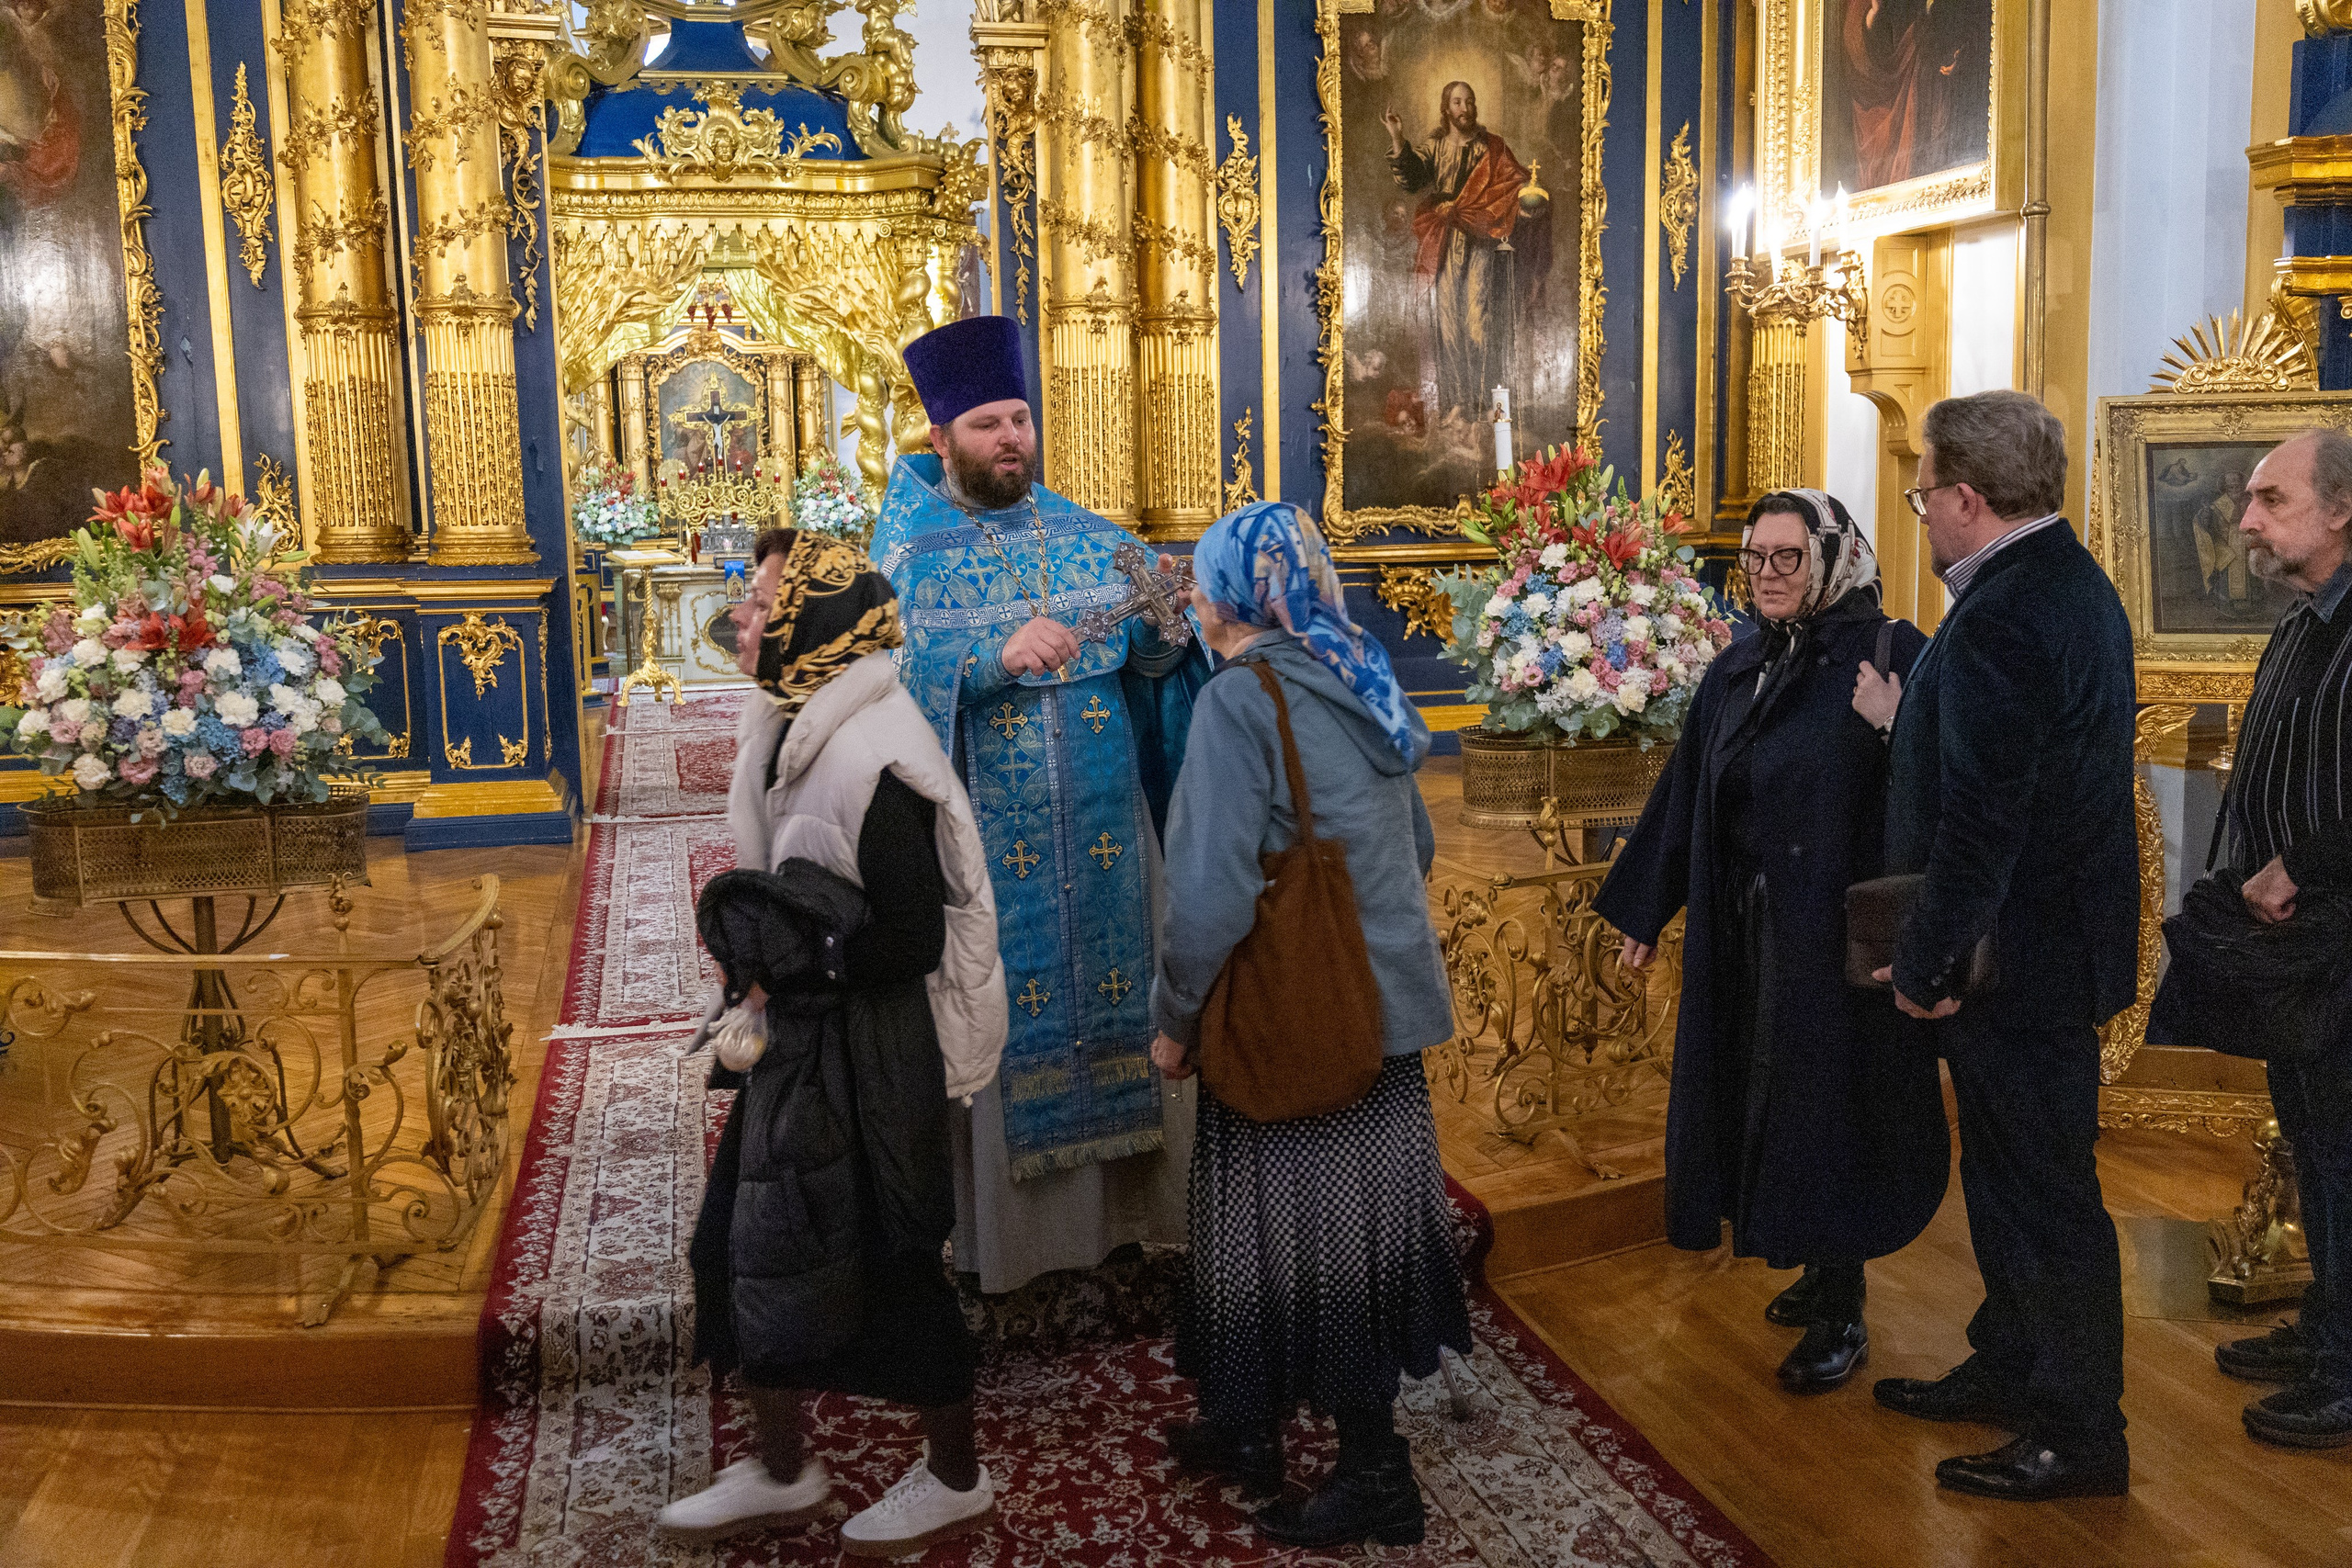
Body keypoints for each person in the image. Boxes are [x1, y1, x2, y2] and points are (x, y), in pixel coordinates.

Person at [659, 527, 1010, 1554]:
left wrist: (784, 964)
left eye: (766, 601)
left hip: (869, 1051)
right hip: (809, 1035)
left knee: (893, 1260)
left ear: (814, 619)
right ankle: (782, 1471)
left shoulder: (873, 754)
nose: (744, 614)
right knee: (739, 1245)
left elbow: (910, 937)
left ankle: (956, 1478)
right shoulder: (793, 717)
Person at [1147, 502, 1470, 1551]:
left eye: (1202, 585)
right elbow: (1418, 843)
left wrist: (1175, 1018)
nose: (1194, 602)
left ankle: (1377, 1475)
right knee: (1346, 1237)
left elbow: (1207, 894)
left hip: (1293, 1020)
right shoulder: (1360, 674)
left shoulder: (1240, 699)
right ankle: (1246, 1422)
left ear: (1230, 597)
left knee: (1316, 1250)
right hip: (1380, 1011)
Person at [871, 315, 1213, 1296]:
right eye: (988, 425)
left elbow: (1153, 671)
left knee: (1127, 1014)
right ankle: (1016, 1247)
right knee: (1007, 1026)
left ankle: (1132, 1222)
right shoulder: (907, 552)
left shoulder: (1087, 535)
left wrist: (1165, 632)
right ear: (941, 437)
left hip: (1109, 838)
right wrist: (989, 659)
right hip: (986, 843)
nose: (1011, 439)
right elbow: (885, 685)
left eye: (1019, 419)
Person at [1596, 490, 1948, 1397]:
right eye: (1754, 557)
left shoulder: (1892, 654)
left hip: (1834, 941)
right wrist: (1647, 908)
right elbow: (1688, 790)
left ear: (1831, 558)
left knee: (1827, 1105)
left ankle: (1842, 1302)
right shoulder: (1740, 665)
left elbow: (1946, 788)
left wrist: (1894, 724)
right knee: (1757, 1095)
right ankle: (1802, 1256)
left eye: (1787, 556)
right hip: (1746, 929)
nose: (1765, 574)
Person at [1869, 389, 2140, 1501]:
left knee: (2043, 1193)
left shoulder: (2004, 612)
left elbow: (1983, 821)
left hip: (2018, 962)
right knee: (2008, 1175)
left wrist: (1925, 960)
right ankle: (2013, 1361)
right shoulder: (2068, 581)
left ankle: (2078, 1432)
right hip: (2051, 947)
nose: (1922, 511)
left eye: (1923, 493)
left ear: (1967, 497)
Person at [2192, 429, 2352, 1450]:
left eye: (2270, 499)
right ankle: (2329, 1327)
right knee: (2316, 1139)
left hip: (2338, 930)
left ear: (2341, 508)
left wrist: (2302, 862)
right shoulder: (2305, 618)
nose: (2246, 520)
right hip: (2299, 947)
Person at [1379, 82, 1546, 423]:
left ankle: (1484, 403)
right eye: (1457, 102)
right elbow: (1411, 178)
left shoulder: (1491, 148)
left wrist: (1524, 200)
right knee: (1448, 324)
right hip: (1444, 239)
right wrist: (1397, 137)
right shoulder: (1435, 146)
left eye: (1469, 102)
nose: (1464, 108)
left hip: (1481, 238)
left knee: (1476, 321)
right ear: (1447, 108)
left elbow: (1516, 184)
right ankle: (1456, 402)